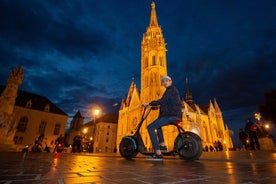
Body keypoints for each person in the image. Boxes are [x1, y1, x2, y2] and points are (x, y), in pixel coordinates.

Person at [143, 76, 182, 159]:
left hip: (171, 115)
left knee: (150, 127)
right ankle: (162, 145)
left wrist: (149, 104)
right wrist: (156, 107)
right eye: (163, 82)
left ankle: (157, 152)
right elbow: (166, 103)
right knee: (158, 124)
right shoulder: (170, 90)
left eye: (166, 81)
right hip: (173, 115)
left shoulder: (171, 90)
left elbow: (162, 101)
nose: (165, 82)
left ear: (170, 81)